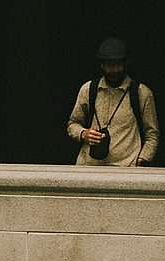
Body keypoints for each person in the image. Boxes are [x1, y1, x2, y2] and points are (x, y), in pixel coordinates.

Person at [67, 37, 160, 166]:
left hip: (126, 169)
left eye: (118, 64)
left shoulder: (141, 93)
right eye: (110, 65)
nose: (115, 70)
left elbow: (152, 133)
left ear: (126, 63)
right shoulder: (88, 89)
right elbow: (73, 124)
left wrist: (142, 160)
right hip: (88, 167)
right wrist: (83, 134)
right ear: (102, 65)